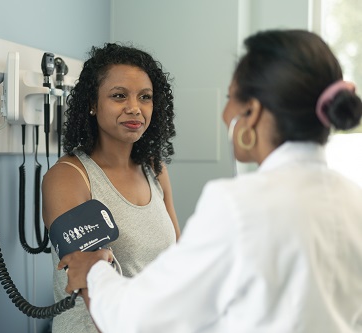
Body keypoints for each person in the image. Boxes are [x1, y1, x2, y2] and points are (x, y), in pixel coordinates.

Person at [58, 29, 362, 333]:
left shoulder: (237, 205)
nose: (225, 112)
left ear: (252, 112)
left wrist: (95, 272)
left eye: (231, 97)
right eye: (119, 95)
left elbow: (141, 319)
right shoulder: (353, 199)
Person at [42, 42, 181, 333]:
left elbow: (177, 263)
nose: (135, 108)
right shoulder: (69, 178)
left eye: (145, 97)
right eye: (119, 96)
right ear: (93, 103)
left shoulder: (155, 170)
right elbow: (89, 276)